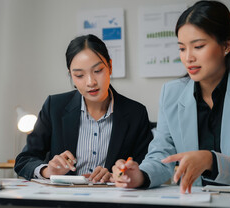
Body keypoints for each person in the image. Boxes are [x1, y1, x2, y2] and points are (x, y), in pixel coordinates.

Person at [112, 0, 230, 193]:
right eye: (182, 48)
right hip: (193, 202)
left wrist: (211, 160)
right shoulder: (172, 94)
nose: (188, 57)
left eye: (198, 46)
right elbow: (161, 154)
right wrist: (140, 175)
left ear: (226, 46)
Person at [15, 34, 153, 182]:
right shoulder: (54, 107)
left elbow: (145, 167)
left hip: (112, 201)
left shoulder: (135, 113)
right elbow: (24, 160)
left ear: (110, 67)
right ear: (71, 76)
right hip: (63, 202)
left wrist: (116, 176)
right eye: (79, 75)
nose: (90, 82)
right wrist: (47, 170)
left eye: (98, 71)